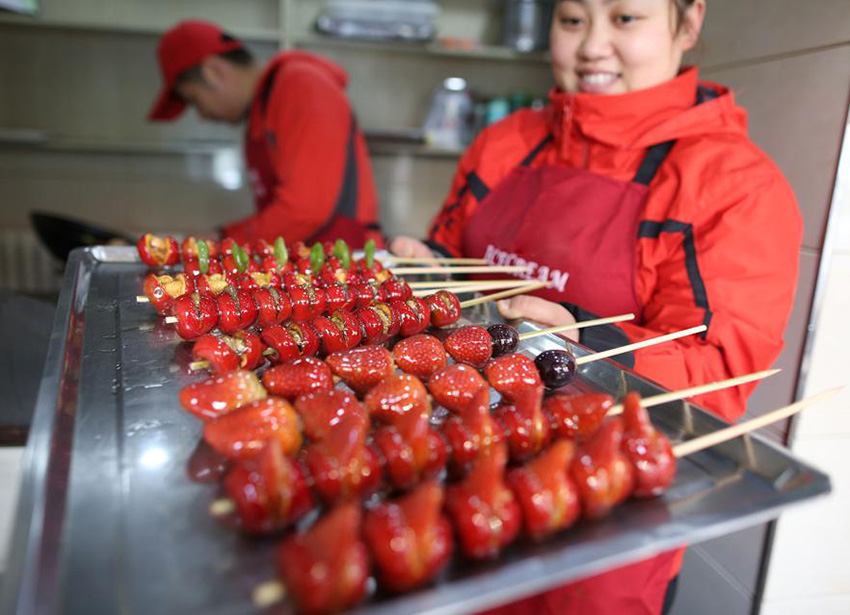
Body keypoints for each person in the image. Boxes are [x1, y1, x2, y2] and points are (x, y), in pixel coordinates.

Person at [391, 0, 802, 613]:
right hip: (450, 475)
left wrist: (586, 338)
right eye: (573, 19)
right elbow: (453, 269)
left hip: (598, 527)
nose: (591, 47)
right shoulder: (506, 144)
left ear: (688, 24)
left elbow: (720, 381)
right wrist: (426, 268)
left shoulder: (732, 186)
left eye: (625, 18)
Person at [147, 20, 382, 248]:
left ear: (213, 72)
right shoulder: (261, 111)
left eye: (194, 100)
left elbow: (306, 209)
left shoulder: (300, 86)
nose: (202, 115)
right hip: (308, 272)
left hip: (346, 268)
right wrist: (225, 237)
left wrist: (225, 242)